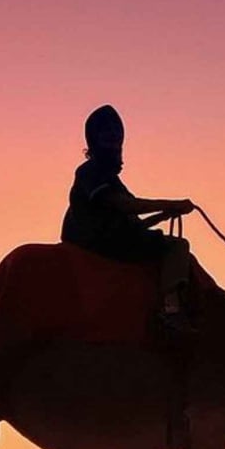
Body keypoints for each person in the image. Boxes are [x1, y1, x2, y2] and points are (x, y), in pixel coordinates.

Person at [60, 105, 197, 323]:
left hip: (109, 239)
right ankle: (171, 310)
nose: (114, 139)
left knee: (164, 241)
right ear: (95, 139)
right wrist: (171, 203)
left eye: (116, 134)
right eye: (108, 133)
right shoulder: (90, 173)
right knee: (177, 246)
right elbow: (125, 206)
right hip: (100, 243)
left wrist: (166, 212)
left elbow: (131, 223)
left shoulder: (110, 181)